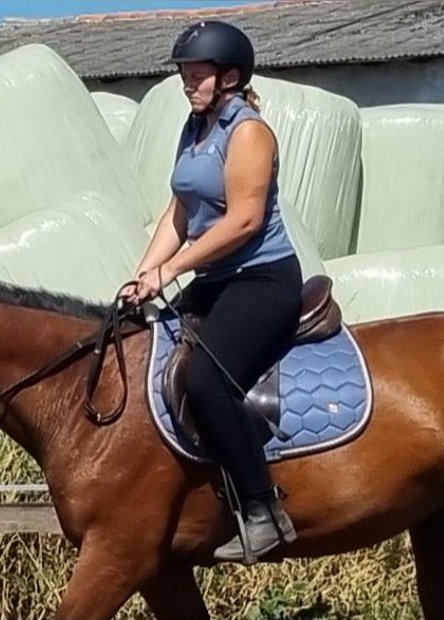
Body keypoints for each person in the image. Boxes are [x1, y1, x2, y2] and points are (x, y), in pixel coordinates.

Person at [122, 20, 303, 563]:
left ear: (229, 76)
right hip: (214, 279)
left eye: (195, 75)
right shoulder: (195, 127)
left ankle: (261, 509)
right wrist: (143, 272)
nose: (187, 83)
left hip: (262, 280)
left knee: (205, 380)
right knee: (142, 354)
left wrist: (172, 270)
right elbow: (180, 210)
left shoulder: (248, 132)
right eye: (184, 74)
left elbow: (243, 222)